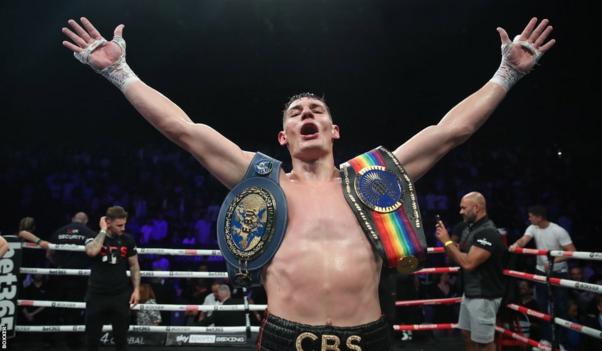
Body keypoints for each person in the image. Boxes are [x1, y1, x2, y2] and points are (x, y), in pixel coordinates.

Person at [62, 16, 555, 350]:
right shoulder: (261, 179)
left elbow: (450, 132)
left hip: (369, 336)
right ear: (284, 135)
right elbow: (184, 130)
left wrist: (507, 73)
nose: (307, 116)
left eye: (316, 110)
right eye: (297, 113)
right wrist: (120, 73)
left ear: (334, 129)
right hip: (283, 336)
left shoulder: (372, 179)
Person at [435, 192, 506, 351]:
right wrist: (447, 242)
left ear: (477, 207)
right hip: (470, 292)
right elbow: (456, 257)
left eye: (463, 208)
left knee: (484, 343)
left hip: (484, 295)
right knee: (467, 335)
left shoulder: (487, 232)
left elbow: (468, 263)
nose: (460, 211)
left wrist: (447, 240)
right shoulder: (469, 229)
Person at [509, 204, 576, 341]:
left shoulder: (558, 231)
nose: (529, 218)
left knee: (561, 308)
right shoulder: (533, 228)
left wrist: (553, 261)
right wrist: (515, 245)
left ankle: (561, 343)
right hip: (540, 271)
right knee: (542, 306)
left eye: (531, 216)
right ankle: (546, 340)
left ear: (539, 218)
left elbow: (572, 252)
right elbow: (524, 240)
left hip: (559, 272)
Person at [84, 206, 140, 351]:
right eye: (119, 225)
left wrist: (137, 290)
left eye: (124, 224)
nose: (123, 228)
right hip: (97, 295)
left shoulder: (128, 240)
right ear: (108, 222)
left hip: (120, 295)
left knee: (121, 340)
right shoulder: (92, 237)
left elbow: (134, 266)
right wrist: (103, 230)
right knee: (92, 340)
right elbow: (92, 251)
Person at [47, 211, 96, 349]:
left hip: (59, 275)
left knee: (54, 306)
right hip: (79, 277)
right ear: (86, 221)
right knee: (75, 310)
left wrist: (58, 265)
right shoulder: (89, 232)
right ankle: (73, 341)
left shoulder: (59, 231)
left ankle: (49, 339)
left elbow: (49, 254)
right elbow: (94, 253)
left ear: (72, 218)